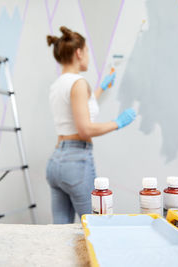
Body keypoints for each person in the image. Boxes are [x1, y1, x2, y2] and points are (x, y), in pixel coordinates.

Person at [46, 26, 136, 224]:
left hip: (56, 163)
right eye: (86, 51)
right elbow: (84, 129)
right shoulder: (78, 83)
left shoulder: (58, 84)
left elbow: (78, 110)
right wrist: (118, 123)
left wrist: (101, 90)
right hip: (76, 161)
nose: (87, 56)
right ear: (79, 53)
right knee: (96, 226)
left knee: (60, 232)